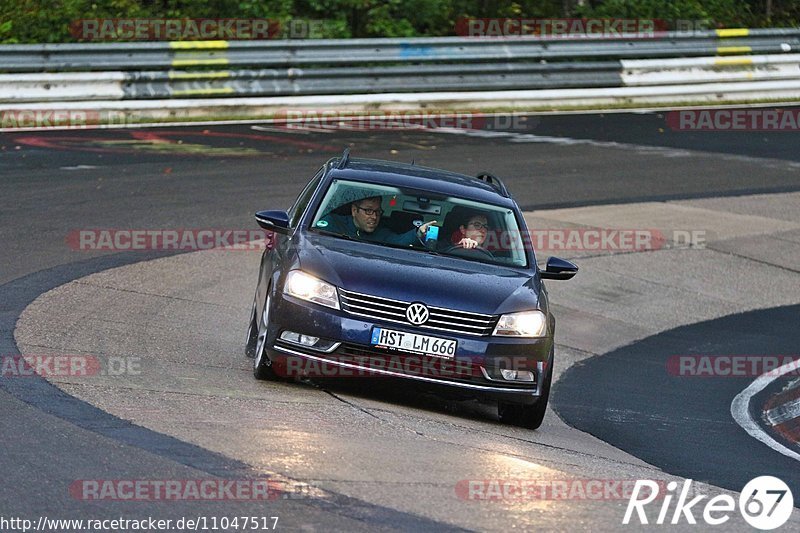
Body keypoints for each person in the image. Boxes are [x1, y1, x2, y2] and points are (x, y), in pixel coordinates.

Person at [317, 196, 437, 246]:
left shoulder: (382, 234)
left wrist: (419, 233)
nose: (374, 217)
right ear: (354, 210)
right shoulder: (332, 223)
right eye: (368, 211)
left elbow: (399, 241)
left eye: (377, 212)